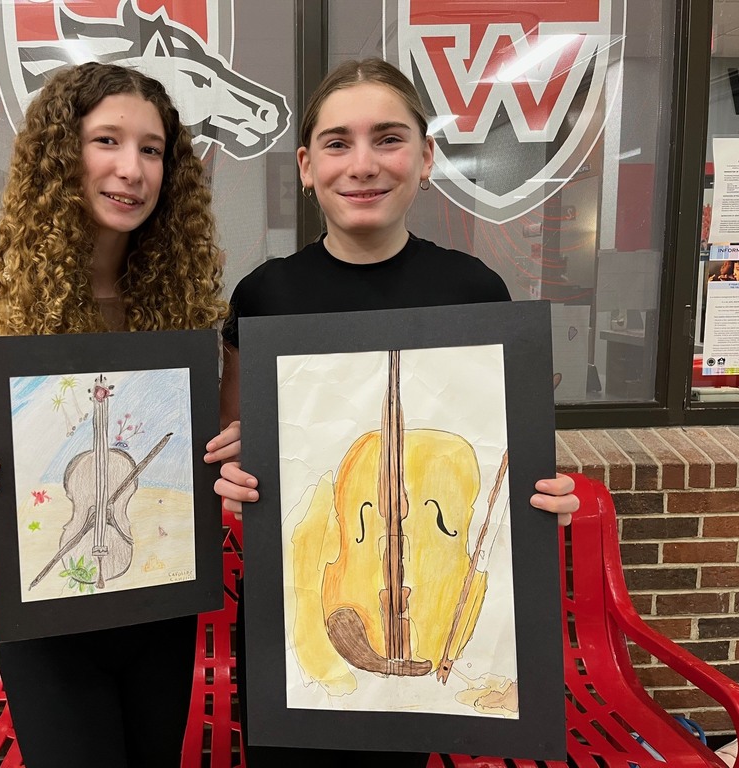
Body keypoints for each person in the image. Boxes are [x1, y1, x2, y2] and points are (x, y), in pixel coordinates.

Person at [204, 58, 579, 767]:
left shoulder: (473, 290)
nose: (364, 164)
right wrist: (235, 487)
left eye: (389, 138)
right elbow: (240, 450)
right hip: (297, 610)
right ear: (307, 165)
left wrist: (537, 502)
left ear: (427, 158)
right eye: (338, 143)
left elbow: (498, 455)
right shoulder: (264, 297)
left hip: (430, 601)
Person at [0, 63, 226, 766]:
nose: (132, 169)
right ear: (60, 154)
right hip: (48, 614)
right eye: (107, 142)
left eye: (151, 149)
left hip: (161, 605)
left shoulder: (182, 307)